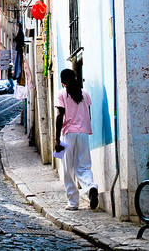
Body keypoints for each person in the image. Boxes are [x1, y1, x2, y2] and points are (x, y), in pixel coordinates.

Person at [55, 68, 99, 211]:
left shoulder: (61, 94)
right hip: (83, 133)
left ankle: (73, 202)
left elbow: (59, 116)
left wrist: (57, 138)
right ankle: (91, 187)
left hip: (68, 134)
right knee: (84, 166)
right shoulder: (85, 94)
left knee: (68, 169)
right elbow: (88, 115)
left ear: (62, 81)